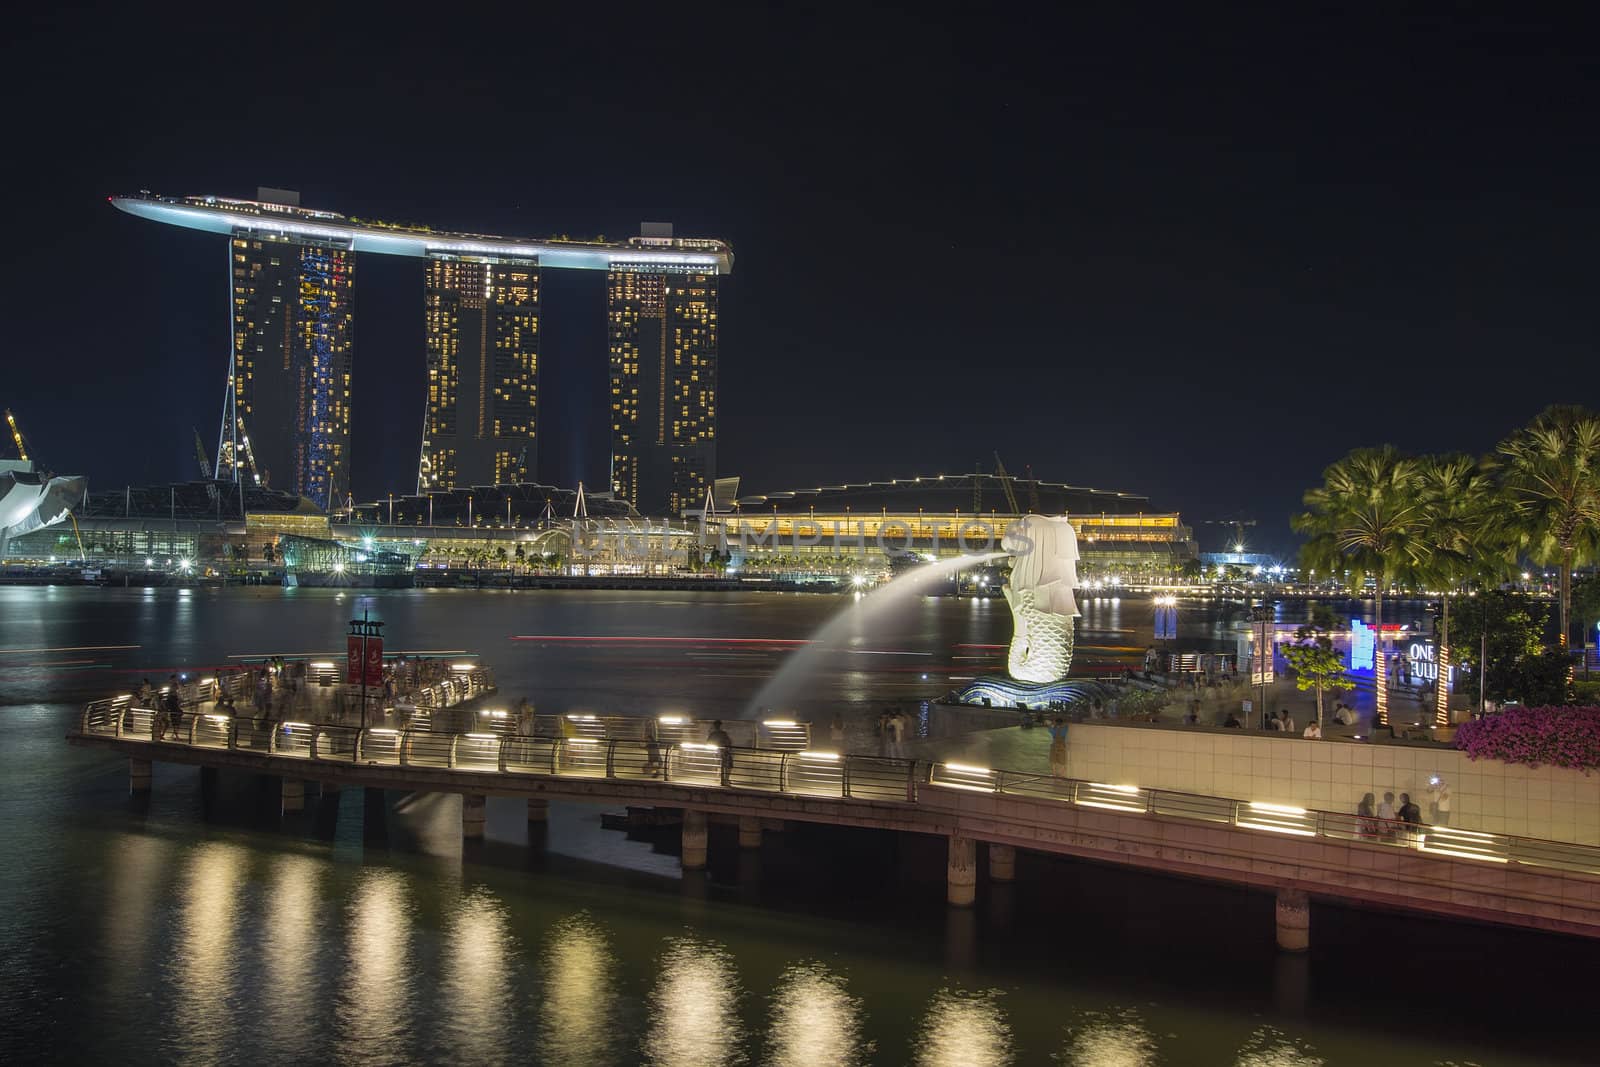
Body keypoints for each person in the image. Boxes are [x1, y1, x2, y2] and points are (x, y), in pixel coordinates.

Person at [707, 719, 734, 785]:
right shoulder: (723, 733)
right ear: (720, 725)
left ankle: (720, 778)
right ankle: (725, 779)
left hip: (718, 751)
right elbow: (729, 742)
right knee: (728, 765)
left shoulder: (712, 734)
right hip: (724, 750)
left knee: (720, 764)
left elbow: (708, 742)